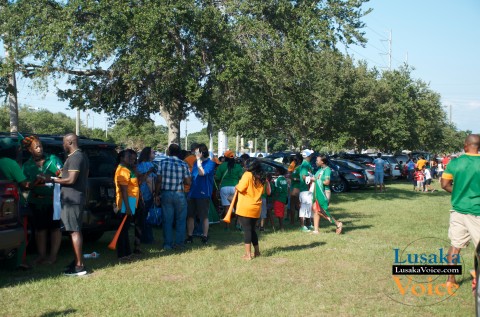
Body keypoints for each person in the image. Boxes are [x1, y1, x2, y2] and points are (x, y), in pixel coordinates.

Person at [441, 134, 480, 292]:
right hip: (477, 211)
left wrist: (458, 192)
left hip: (457, 211)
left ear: (465, 145)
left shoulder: (455, 163)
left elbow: (444, 184)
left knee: (455, 246)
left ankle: (450, 280)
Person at [50, 133, 89, 276]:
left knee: (74, 231)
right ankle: (77, 262)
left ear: (70, 142)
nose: (63, 145)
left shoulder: (76, 157)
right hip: (75, 198)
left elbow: (71, 180)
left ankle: (79, 267)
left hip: (72, 200)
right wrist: (61, 175)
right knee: (75, 230)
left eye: (64, 142)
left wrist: (52, 179)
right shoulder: (81, 156)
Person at [22, 135, 63, 265]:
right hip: (37, 201)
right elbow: (24, 183)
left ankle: (53, 256)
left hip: (53, 201)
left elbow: (63, 174)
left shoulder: (52, 159)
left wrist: (49, 177)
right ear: (30, 150)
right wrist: (34, 182)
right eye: (36, 147)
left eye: (41, 146)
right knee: (40, 230)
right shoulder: (27, 165)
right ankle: (41, 255)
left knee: (55, 228)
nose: (40, 149)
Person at [0, 137, 35, 270]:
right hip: (11, 203)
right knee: (22, 231)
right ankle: (20, 261)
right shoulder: (10, 163)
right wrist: (35, 181)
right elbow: (24, 184)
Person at [157, 144, 191, 250]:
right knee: (181, 220)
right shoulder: (183, 164)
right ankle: (179, 244)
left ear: (168, 151)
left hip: (166, 193)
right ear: (179, 152)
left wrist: (156, 193)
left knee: (167, 220)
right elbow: (188, 181)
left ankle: (168, 244)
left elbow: (158, 180)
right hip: (179, 193)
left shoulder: (162, 163)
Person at [235, 159, 267, 260]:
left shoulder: (247, 175)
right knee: (252, 230)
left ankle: (248, 255)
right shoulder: (261, 176)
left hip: (246, 207)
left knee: (247, 231)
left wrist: (237, 186)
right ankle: (257, 252)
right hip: (256, 207)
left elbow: (240, 188)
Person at [186, 143, 216, 245]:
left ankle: (205, 236)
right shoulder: (195, 163)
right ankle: (190, 236)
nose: (195, 153)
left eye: (197, 152)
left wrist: (199, 160)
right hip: (193, 192)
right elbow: (193, 176)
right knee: (190, 216)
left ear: (202, 152)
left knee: (203, 216)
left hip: (203, 194)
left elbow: (201, 173)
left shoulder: (210, 163)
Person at [114, 149, 140, 261]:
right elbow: (124, 190)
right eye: (128, 157)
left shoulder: (127, 169)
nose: (131, 159)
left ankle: (127, 253)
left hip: (131, 201)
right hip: (126, 202)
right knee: (123, 230)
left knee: (126, 229)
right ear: (121, 158)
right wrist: (128, 207)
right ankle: (122, 255)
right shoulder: (122, 171)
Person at [312, 156, 343, 234]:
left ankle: (338, 224)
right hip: (316, 192)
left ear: (322, 161)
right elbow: (315, 178)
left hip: (324, 192)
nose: (316, 161)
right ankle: (316, 230)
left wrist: (316, 180)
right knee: (315, 210)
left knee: (322, 210)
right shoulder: (319, 170)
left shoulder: (327, 170)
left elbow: (327, 182)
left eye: (317, 160)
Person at [215, 150, 243, 230]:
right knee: (237, 207)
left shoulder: (222, 166)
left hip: (224, 188)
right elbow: (241, 177)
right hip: (235, 187)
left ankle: (227, 226)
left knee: (227, 208)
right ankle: (238, 225)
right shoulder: (238, 166)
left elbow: (217, 177)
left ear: (225, 157)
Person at [137, 147, 157, 244]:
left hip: (140, 194)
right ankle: (148, 238)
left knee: (141, 217)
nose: (155, 154)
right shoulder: (149, 165)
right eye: (153, 152)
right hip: (147, 194)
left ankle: (141, 237)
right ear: (148, 154)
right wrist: (154, 194)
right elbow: (150, 181)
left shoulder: (139, 165)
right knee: (147, 218)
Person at [298, 149, 314, 232]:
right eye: (311, 155)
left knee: (309, 208)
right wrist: (313, 179)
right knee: (303, 209)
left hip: (308, 190)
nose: (312, 156)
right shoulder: (304, 164)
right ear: (308, 156)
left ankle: (309, 224)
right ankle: (302, 226)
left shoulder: (307, 164)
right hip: (304, 190)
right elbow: (304, 176)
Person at [288, 154, 302, 225]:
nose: (294, 161)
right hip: (293, 187)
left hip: (297, 188)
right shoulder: (295, 167)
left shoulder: (301, 168)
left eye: (295, 160)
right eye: (294, 160)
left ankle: (298, 221)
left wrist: (295, 178)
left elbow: (303, 178)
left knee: (296, 205)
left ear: (299, 160)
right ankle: (293, 221)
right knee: (293, 205)